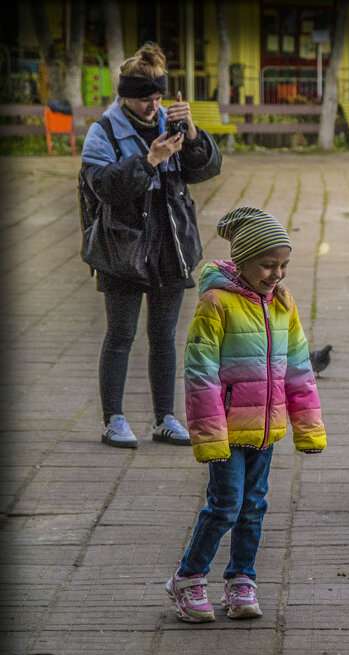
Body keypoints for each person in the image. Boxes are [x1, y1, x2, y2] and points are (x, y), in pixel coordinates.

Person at [165, 207, 326, 623]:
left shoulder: (283, 305)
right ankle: (188, 578)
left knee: (253, 506)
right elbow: (200, 375)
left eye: (284, 265)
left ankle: (241, 579)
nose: (277, 274)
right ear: (242, 261)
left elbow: (299, 369)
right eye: (268, 265)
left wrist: (308, 428)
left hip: (266, 432)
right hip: (228, 432)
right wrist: (210, 437)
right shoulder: (216, 303)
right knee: (225, 506)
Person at [80, 41, 222, 449]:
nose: (153, 106)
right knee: (120, 335)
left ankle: (165, 418)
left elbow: (206, 169)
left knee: (164, 337)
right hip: (121, 246)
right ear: (126, 95)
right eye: (145, 99)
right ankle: (114, 420)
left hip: (171, 243)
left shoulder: (169, 122)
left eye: (159, 98)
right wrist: (149, 161)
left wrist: (192, 132)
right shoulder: (103, 130)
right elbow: (104, 187)